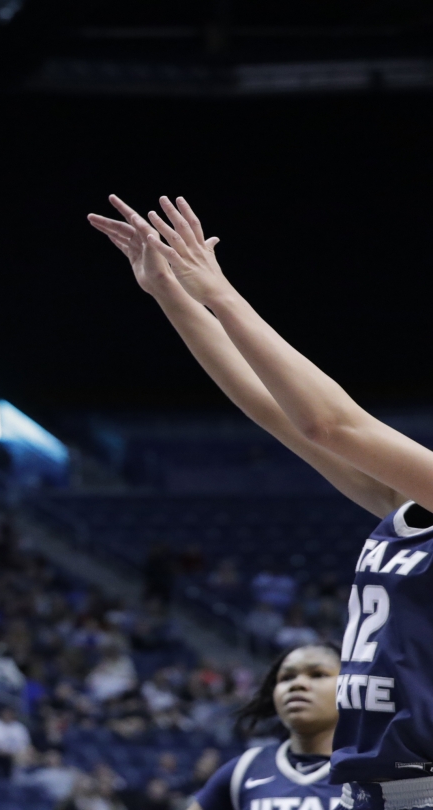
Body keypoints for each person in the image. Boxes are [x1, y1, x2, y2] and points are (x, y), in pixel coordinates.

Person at [90, 195, 433, 810]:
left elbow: (331, 424)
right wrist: (172, 295)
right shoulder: (400, 503)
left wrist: (219, 293)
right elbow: (274, 413)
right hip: (377, 790)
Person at [183, 644, 341, 810]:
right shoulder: (245, 769)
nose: (297, 684)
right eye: (286, 677)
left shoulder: (368, 771)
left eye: (318, 674)